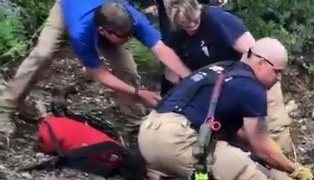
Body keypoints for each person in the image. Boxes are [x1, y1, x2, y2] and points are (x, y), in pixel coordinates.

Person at [138, 38, 313, 180]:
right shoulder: (251, 88)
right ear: (261, 63)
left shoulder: (223, 69)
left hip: (151, 132)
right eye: (277, 72)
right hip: (180, 137)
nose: (278, 79)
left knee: (218, 174)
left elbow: (240, 135)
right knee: (250, 179)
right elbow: (262, 146)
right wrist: (295, 169)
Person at [0, 0, 192, 136]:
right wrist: (138, 92)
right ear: (103, 32)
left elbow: (161, 49)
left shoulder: (132, 19)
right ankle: (5, 108)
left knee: (127, 69)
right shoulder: (81, 33)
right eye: (123, 37)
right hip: (68, 7)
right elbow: (100, 74)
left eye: (130, 34)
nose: (129, 39)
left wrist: (189, 78)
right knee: (42, 54)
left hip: (104, 15)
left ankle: (134, 124)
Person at [161, 0, 293, 156]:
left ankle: (287, 163)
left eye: (194, 20)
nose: (190, 25)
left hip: (255, 80)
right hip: (220, 90)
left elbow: (257, 55)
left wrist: (253, 88)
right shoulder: (175, 38)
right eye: (185, 24)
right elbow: (172, 76)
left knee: (273, 131)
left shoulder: (218, 20)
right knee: (236, 139)